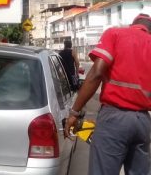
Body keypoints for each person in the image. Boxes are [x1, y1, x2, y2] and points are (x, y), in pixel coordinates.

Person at [65, 13, 151, 175]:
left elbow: (96, 74)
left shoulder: (116, 34)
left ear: (133, 24)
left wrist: (74, 112)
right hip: (143, 122)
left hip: (114, 119)